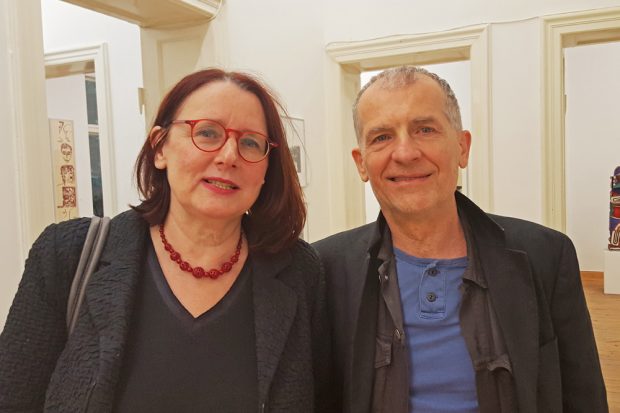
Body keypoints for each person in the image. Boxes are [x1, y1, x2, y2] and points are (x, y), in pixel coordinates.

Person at [0, 68, 333, 412]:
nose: (229, 156)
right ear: (160, 147)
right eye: (207, 133)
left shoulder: (299, 273)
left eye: (250, 142)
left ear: (266, 168)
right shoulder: (67, 255)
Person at [313, 66, 608, 413]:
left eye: (425, 129)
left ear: (462, 147)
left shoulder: (545, 255)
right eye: (381, 137)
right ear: (361, 163)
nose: (405, 153)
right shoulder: (325, 269)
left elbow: (582, 396)